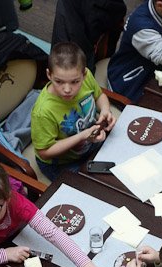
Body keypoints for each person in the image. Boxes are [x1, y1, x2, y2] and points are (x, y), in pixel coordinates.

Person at [31, 42, 116, 181]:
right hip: (62, 162)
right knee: (93, 187)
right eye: (59, 82)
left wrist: (105, 110)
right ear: (48, 74)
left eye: (75, 82)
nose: (67, 89)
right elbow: (44, 152)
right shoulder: (43, 111)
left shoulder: (86, 78)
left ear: (84, 74)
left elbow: (99, 96)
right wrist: (83, 136)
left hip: (90, 141)